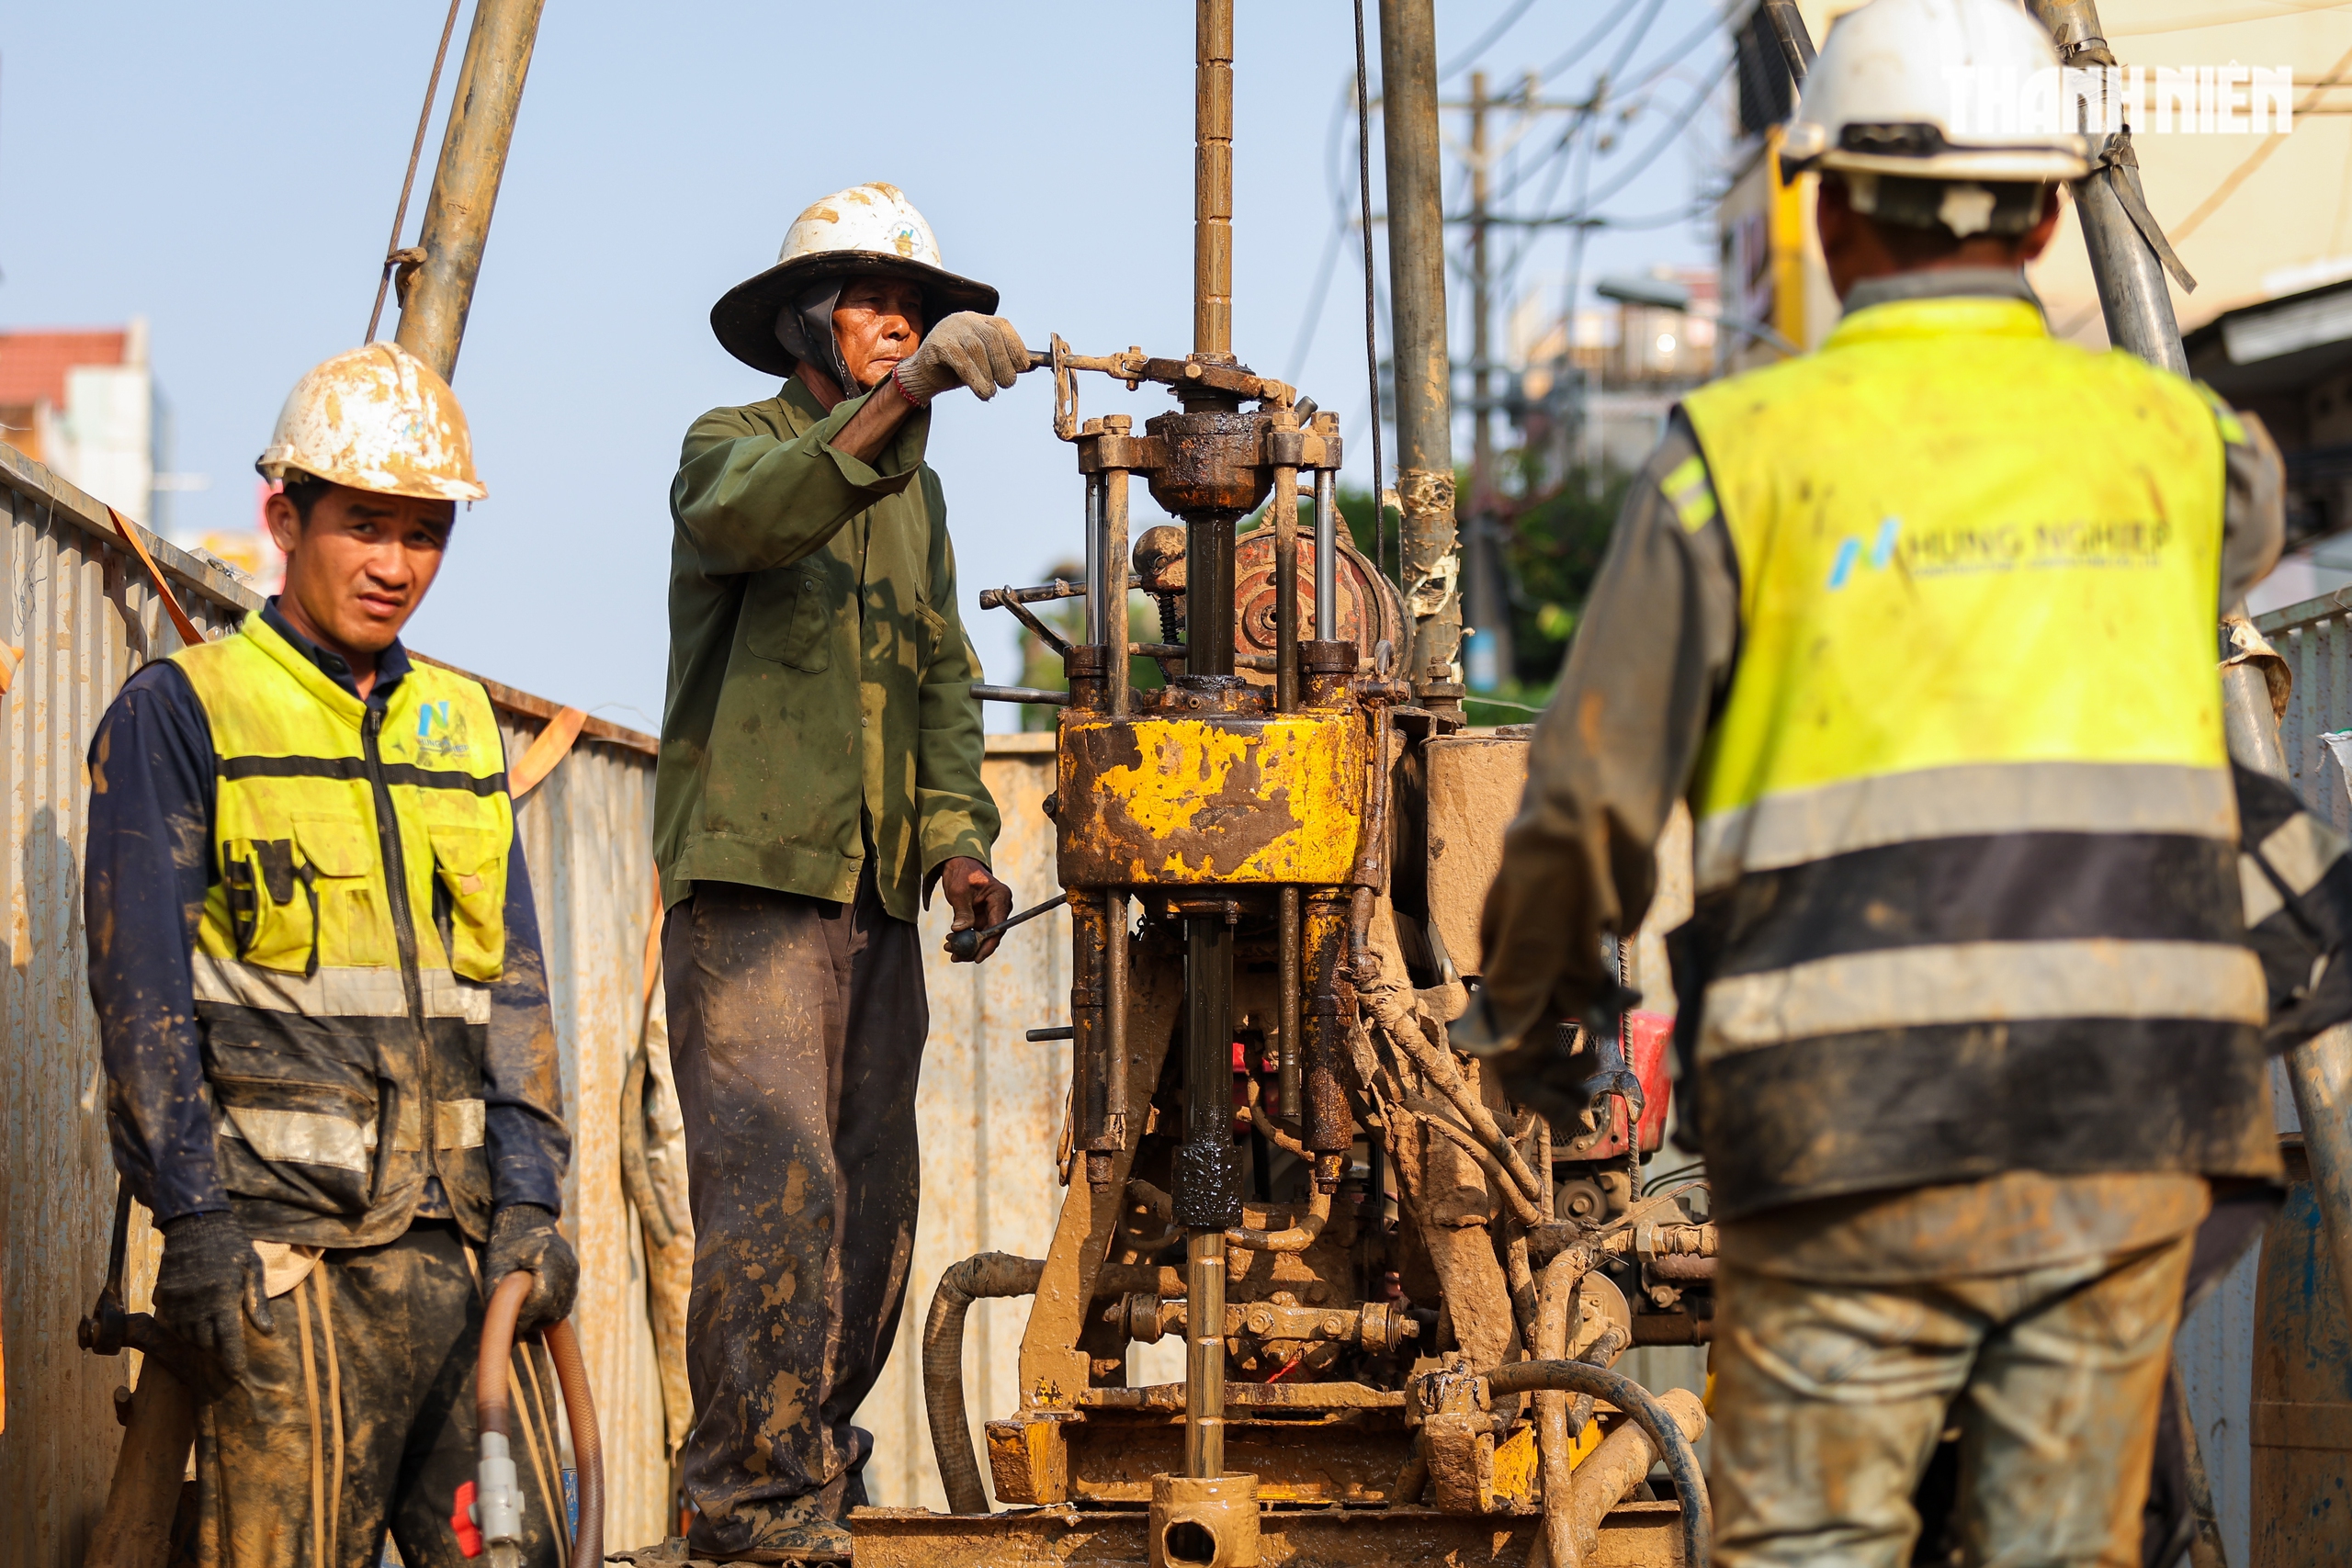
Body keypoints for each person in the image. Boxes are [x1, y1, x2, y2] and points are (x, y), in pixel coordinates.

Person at [1461, 0, 2298, 1562]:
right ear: (2045, 218)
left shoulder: (1735, 459)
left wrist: (1530, 1026)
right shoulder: (2177, 446)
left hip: (1849, 1125)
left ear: (1829, 209)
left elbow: (1584, 808)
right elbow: (2250, 519)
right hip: (2128, 1124)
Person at [85, 342, 576, 1568]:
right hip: (284, 1268)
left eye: (425, 535)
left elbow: (514, 992)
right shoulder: (184, 711)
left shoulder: (459, 724)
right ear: (284, 519)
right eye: (365, 527)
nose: (395, 566)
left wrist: (530, 1201)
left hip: (465, 1264)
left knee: (520, 1553)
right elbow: (143, 1002)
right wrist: (194, 1226)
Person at [658, 180, 1025, 1561]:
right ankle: (748, 1505)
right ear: (808, 321)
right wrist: (902, 400)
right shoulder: (730, 445)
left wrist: (958, 844)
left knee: (871, 1210)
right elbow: (754, 520)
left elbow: (943, 682)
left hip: (873, 901)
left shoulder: (918, 501)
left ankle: (809, 1468)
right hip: (755, 897)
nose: (899, 325)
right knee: (777, 1199)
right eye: (873, 302)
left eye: (914, 308)